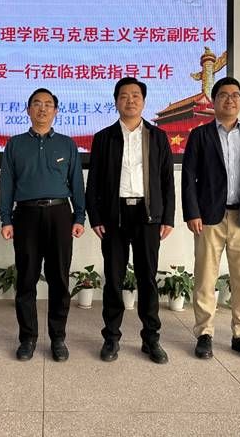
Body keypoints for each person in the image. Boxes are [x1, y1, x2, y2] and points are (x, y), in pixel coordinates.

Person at [182, 76, 240, 361]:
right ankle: (204, 333)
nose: (230, 100)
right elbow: (188, 177)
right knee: (205, 276)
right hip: (209, 217)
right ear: (214, 101)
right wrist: (192, 212)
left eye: (235, 95)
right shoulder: (200, 135)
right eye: (223, 95)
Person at [86, 77, 175, 364]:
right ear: (116, 102)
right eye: (124, 96)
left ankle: (151, 339)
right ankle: (111, 337)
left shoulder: (157, 136)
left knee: (147, 278)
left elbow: (167, 181)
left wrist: (167, 217)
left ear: (144, 101)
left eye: (136, 95)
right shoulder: (104, 137)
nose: (130, 100)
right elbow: (94, 182)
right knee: (113, 279)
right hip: (114, 215)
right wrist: (95, 216)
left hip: (148, 215)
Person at [0, 88, 85, 362]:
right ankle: (28, 338)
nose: (42, 108)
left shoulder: (67, 144)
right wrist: (6, 218)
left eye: (48, 104)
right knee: (26, 279)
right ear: (28, 110)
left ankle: (58, 338)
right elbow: (7, 184)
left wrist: (79, 217)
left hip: (60, 214)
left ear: (56, 111)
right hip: (25, 215)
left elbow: (77, 183)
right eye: (37, 103)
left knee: (59, 278)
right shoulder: (15, 144)